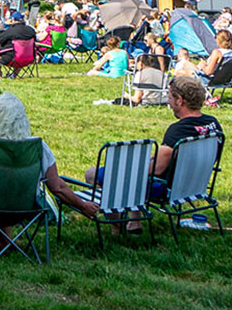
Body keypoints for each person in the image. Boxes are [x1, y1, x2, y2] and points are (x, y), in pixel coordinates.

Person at [84, 76, 223, 227]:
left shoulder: (178, 130)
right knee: (138, 174)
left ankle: (117, 227)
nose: (168, 102)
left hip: (167, 189)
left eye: (170, 98)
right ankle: (134, 220)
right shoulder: (213, 124)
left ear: (180, 100)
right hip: (195, 184)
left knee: (93, 174)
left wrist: (130, 166)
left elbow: (156, 169)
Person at [0, 94, 101, 221]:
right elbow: (58, 187)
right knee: (5, 194)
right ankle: (5, 241)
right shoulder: (38, 146)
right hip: (26, 209)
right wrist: (83, 205)